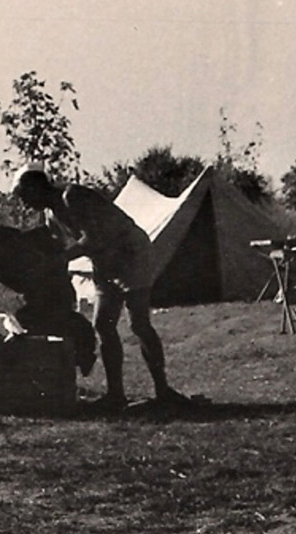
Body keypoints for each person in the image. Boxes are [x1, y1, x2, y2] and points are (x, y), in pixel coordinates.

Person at [11, 167, 191, 412]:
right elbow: (58, 249)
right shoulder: (50, 215)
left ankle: (164, 392)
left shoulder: (72, 196)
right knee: (103, 325)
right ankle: (116, 395)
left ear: (35, 187)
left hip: (131, 254)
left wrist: (58, 260)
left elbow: (93, 237)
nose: (24, 203)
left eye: (24, 195)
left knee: (139, 323)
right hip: (105, 262)